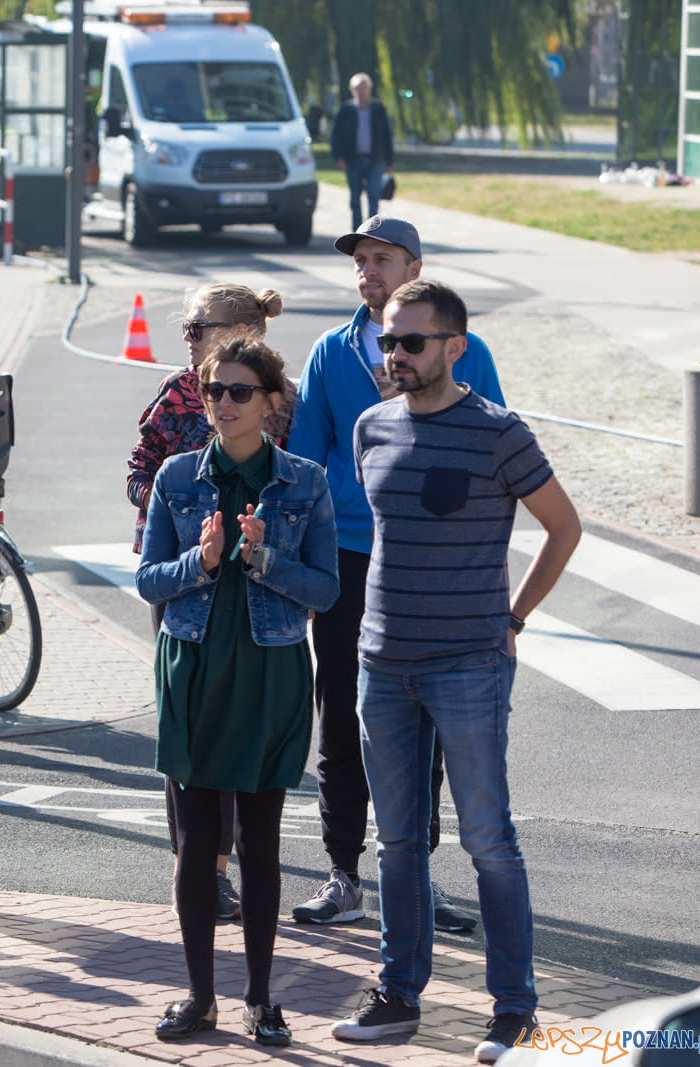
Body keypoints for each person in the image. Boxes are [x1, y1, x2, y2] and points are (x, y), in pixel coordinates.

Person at [331, 280, 581, 1063]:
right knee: (397, 839)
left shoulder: (498, 433)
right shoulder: (371, 428)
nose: (394, 354)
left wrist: (515, 618)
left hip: (468, 666)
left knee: (487, 838)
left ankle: (513, 1007)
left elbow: (563, 527)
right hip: (382, 663)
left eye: (411, 341)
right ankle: (398, 992)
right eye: (388, 340)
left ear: (454, 347)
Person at [285, 215, 503, 935]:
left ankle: (416, 877)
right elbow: (307, 464)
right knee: (343, 716)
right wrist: (310, 562)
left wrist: (404, 400)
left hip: (431, 561)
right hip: (348, 557)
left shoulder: (463, 351)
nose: (367, 272)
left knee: (429, 726)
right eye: (360, 261)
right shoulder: (330, 349)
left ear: (414, 264)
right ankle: (344, 871)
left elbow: (495, 453)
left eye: (381, 259)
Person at [138, 338, 338, 1048]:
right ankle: (198, 995)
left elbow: (325, 588)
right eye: (214, 390)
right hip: (192, 667)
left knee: (259, 840)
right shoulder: (174, 477)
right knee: (196, 840)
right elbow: (149, 579)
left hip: (269, 669)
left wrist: (262, 558)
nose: (224, 403)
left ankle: (259, 996)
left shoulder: (305, 481)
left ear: (270, 400)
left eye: (240, 391)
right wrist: (204, 559)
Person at [127, 283, 287, 923]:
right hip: (184, 577)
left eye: (201, 328)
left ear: (246, 330)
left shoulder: (280, 397)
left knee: (246, 721)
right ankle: (200, 870)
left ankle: (243, 865)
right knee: (190, 722)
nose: (189, 340)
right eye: (187, 329)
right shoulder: (177, 391)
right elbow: (138, 469)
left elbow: (295, 479)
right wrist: (174, 505)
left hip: (256, 578)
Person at [331, 73, 393, 231]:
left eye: (364, 88)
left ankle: (372, 230)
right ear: (352, 90)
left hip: (375, 159)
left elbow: (386, 134)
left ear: (369, 89)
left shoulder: (377, 109)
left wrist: (389, 160)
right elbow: (336, 135)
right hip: (353, 159)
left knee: (374, 195)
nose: (361, 91)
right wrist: (338, 157)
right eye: (358, 88)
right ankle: (356, 229)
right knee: (355, 197)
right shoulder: (347, 109)